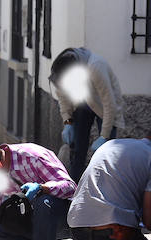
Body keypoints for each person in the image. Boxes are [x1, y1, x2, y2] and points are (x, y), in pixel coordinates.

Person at [49, 47, 126, 181]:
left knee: (106, 152)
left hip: (104, 107)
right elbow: (64, 101)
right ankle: (73, 186)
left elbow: (109, 104)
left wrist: (104, 136)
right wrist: (68, 123)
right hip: (82, 105)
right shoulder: (59, 73)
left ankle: (106, 186)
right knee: (77, 149)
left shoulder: (96, 67)